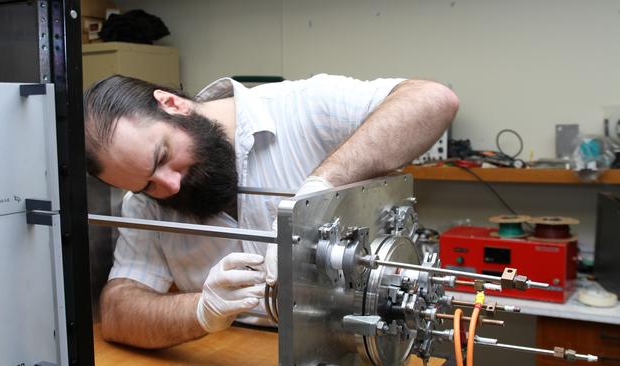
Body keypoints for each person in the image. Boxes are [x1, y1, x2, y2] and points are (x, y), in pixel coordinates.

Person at [83, 73, 458, 349]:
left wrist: (316, 190)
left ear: (171, 104)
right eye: (146, 183)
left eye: (162, 157)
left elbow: (433, 100)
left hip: (360, 348)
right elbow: (118, 312)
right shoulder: (148, 204)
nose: (170, 186)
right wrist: (202, 310)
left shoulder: (301, 108)